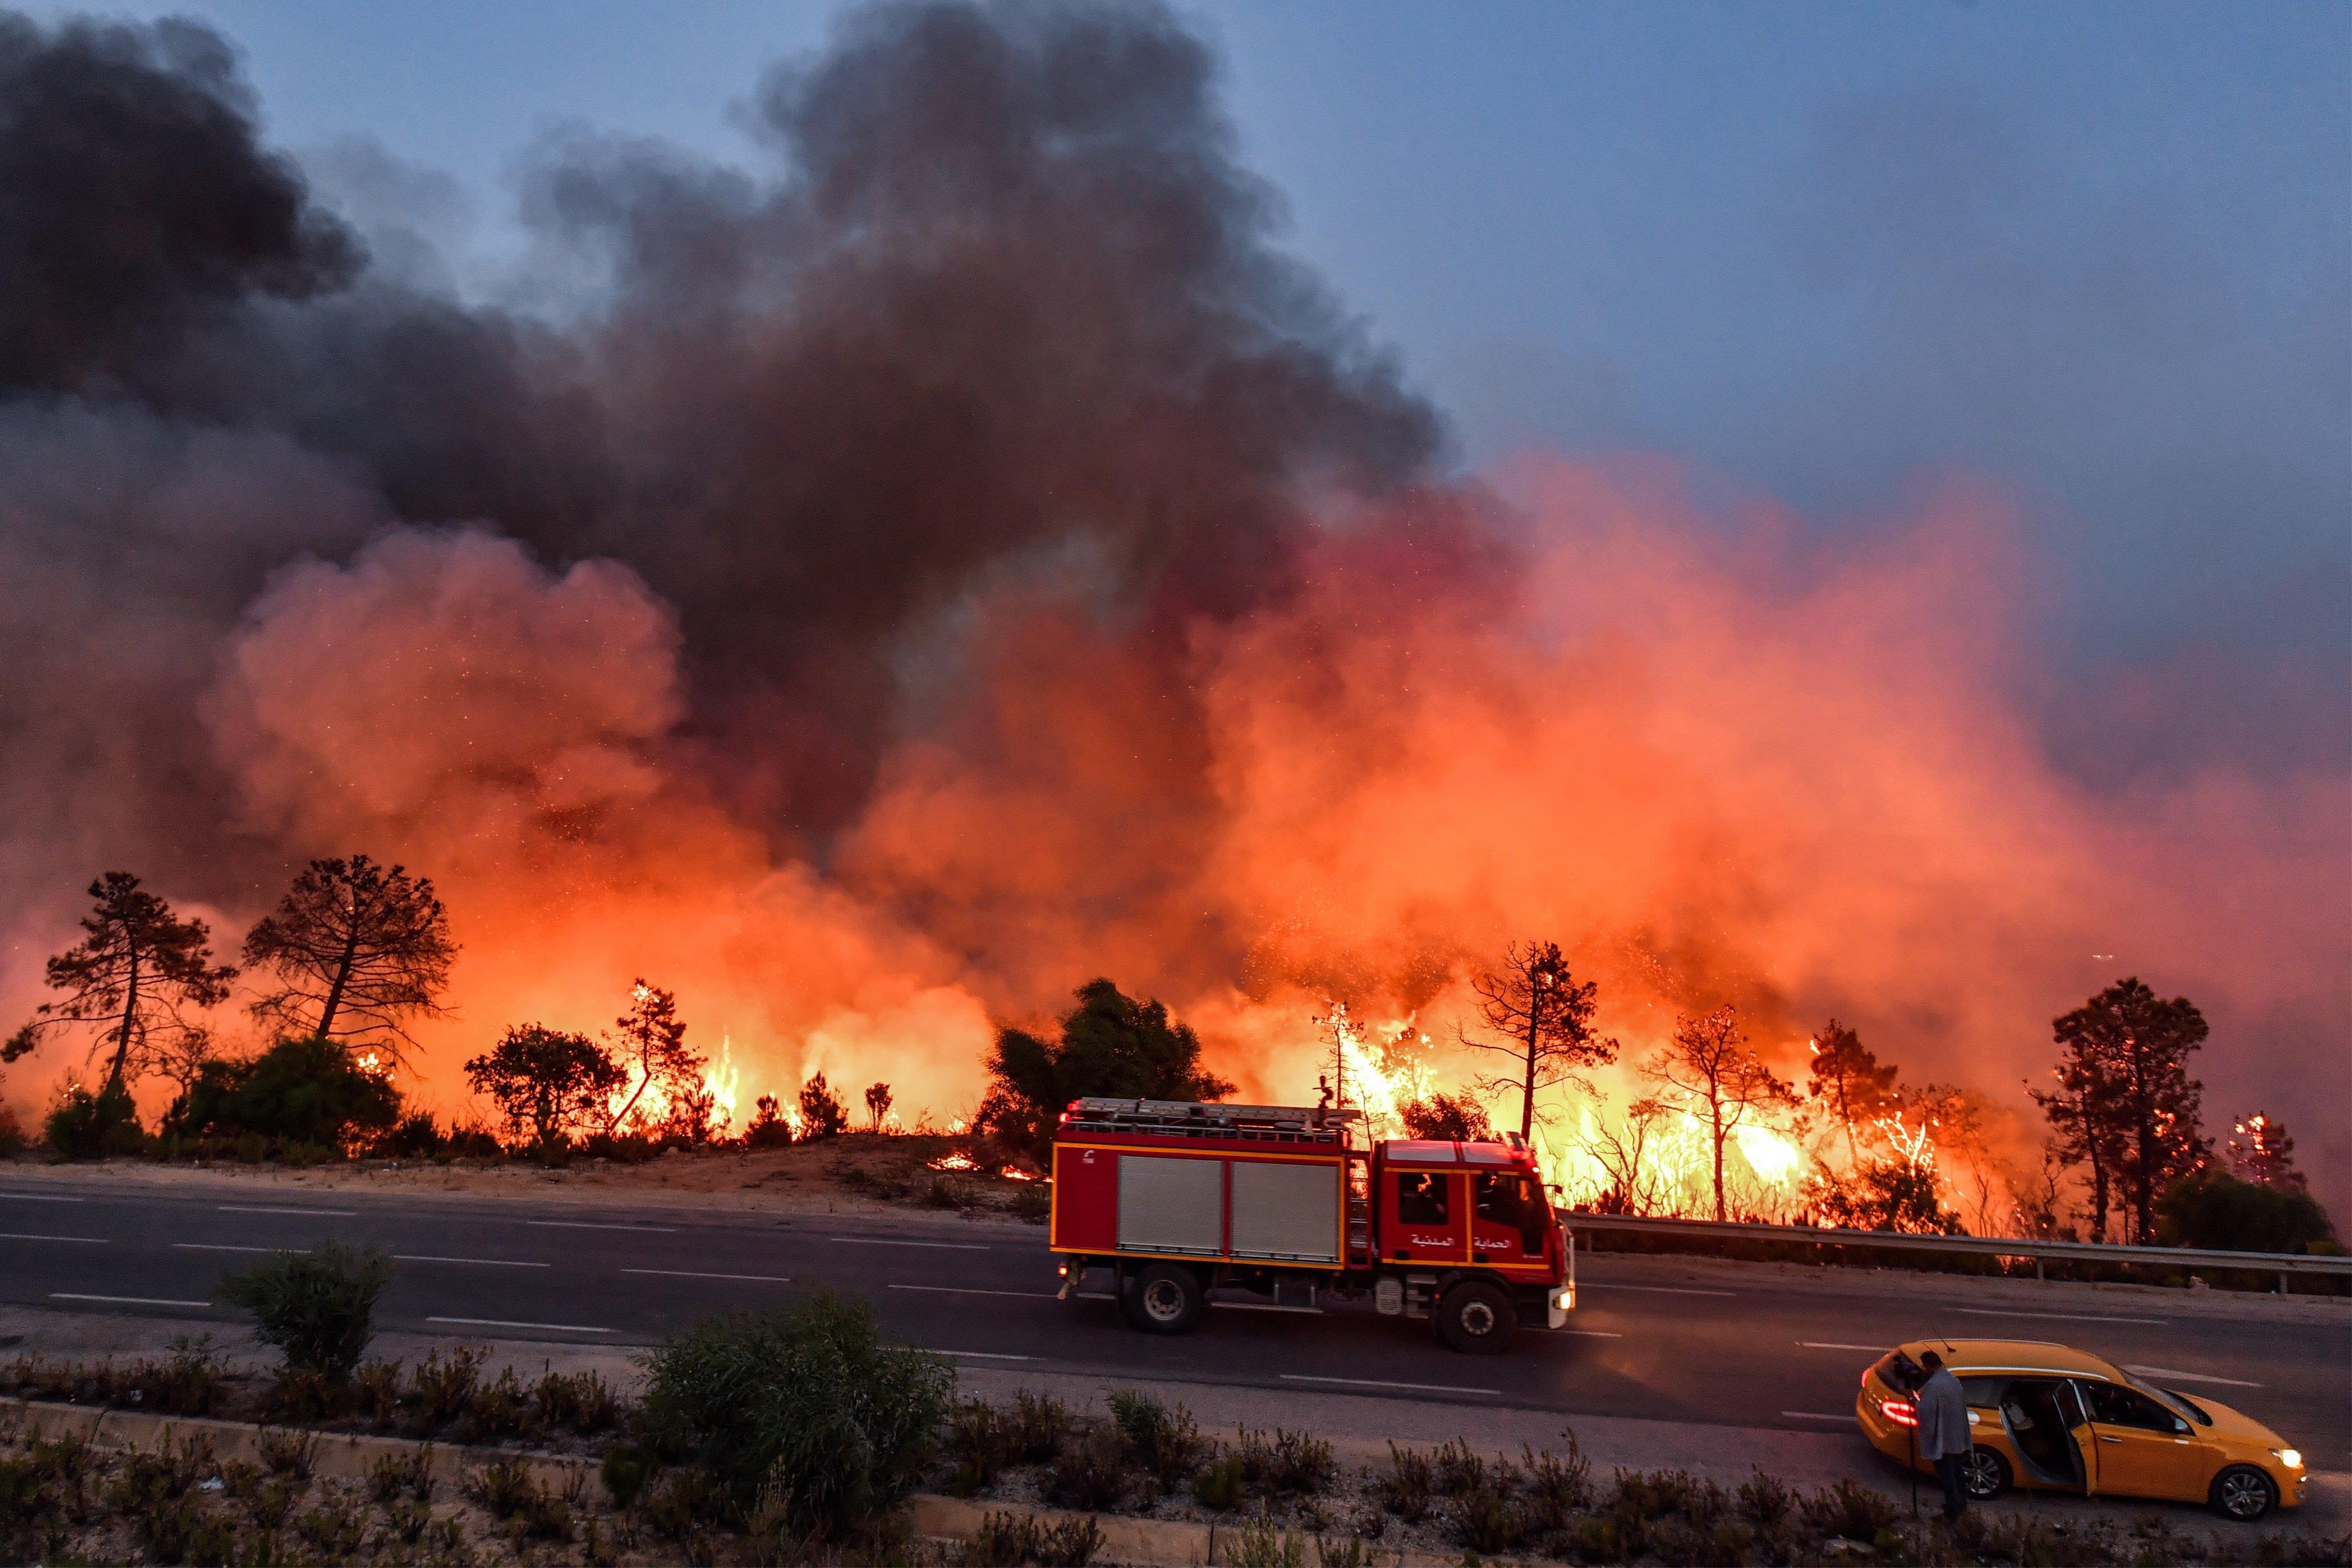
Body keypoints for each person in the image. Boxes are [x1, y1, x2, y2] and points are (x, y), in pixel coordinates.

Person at [1913, 1349, 1972, 1521]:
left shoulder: (1934, 1386)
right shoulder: (1953, 1380)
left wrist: (1915, 1399)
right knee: (1957, 1470)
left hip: (1943, 1439)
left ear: (1929, 1366)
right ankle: (1962, 1500)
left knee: (1947, 1474)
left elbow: (1925, 1412)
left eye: (1925, 1367)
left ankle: (1952, 1511)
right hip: (1957, 1436)